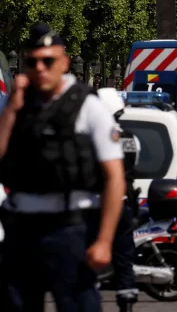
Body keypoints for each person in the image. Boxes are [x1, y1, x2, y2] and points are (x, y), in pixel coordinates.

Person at [0, 23, 126, 312]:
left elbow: (114, 177)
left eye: (49, 61)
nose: (40, 68)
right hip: (21, 230)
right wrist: (12, 108)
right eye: (33, 62)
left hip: (70, 228)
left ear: (64, 62)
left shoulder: (87, 105)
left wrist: (105, 241)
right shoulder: (16, 105)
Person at [96, 88, 141, 312]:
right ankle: (126, 304)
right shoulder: (130, 138)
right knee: (125, 257)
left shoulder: (96, 138)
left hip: (100, 203)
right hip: (125, 202)